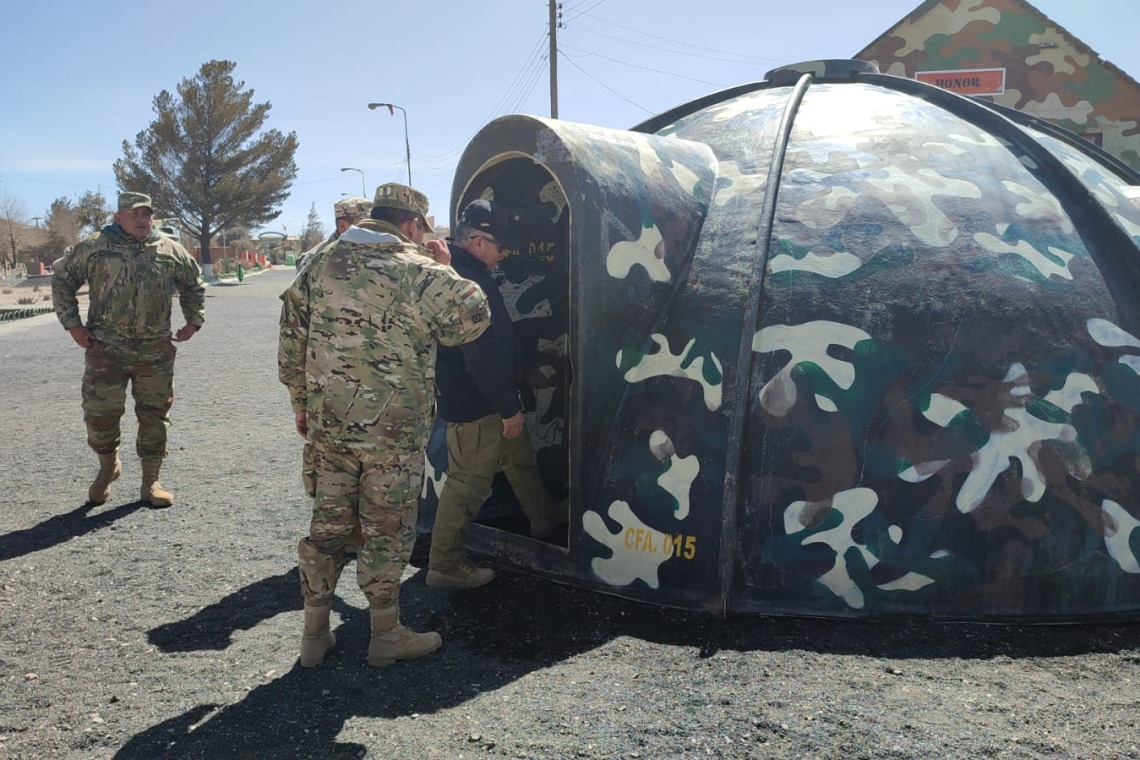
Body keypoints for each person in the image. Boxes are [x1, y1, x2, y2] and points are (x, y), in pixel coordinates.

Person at [278, 182, 490, 668]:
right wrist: (441, 263)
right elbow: (473, 317)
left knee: (327, 528)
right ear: (413, 226)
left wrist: (301, 403)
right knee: (387, 529)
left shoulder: (318, 262)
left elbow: (291, 343)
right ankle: (385, 636)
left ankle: (314, 637)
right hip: (393, 435)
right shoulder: (417, 268)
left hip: (330, 427)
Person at [427, 200, 567, 589]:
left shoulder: (464, 271)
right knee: (466, 486)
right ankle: (444, 565)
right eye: (500, 246)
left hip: (488, 400)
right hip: (478, 406)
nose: (503, 254)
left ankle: (543, 518)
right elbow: (479, 356)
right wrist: (508, 409)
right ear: (477, 242)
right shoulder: (464, 280)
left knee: (517, 458)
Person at [51, 191, 205, 508]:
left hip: (155, 348)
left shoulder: (169, 249)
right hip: (106, 347)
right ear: (118, 217)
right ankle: (108, 468)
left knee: (154, 416)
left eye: (146, 213)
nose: (141, 219)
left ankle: (151, 482)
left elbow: (193, 283)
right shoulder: (95, 246)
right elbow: (63, 278)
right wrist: (73, 324)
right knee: (99, 415)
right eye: (134, 213)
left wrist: (193, 320)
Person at [295, 196, 371, 271]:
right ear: (342, 226)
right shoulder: (316, 260)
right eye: (364, 225)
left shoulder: (372, 249)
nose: (372, 229)